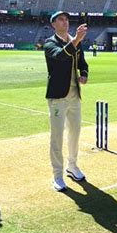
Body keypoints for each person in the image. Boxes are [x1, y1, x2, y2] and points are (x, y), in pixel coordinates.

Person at [44, 11, 89, 192]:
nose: (65, 22)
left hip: (74, 95)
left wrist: (84, 74)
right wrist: (76, 40)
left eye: (67, 19)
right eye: (61, 20)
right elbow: (61, 56)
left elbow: (83, 63)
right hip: (58, 97)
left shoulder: (75, 41)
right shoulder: (50, 43)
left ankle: (72, 165)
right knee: (57, 136)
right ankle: (57, 175)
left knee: (75, 132)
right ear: (53, 24)